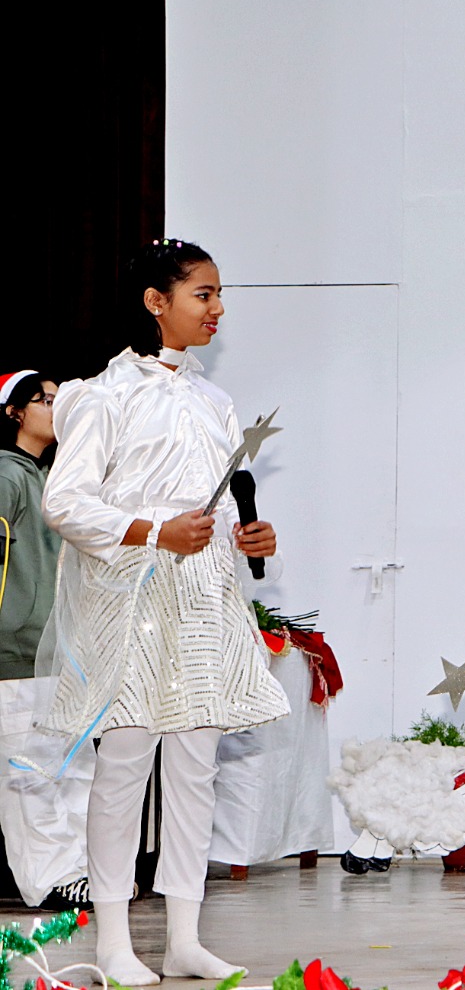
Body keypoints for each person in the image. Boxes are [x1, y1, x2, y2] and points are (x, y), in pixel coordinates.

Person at [40, 239, 290, 985]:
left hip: (204, 597)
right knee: (124, 764)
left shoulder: (216, 402)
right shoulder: (99, 395)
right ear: (157, 302)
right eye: (203, 294)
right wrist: (153, 530)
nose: (218, 309)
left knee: (195, 766)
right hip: (130, 600)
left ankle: (184, 936)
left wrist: (250, 536)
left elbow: (217, 506)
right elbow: (65, 504)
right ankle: (114, 942)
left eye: (218, 295)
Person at [0, 370, 93, 911]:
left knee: (74, 767)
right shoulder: (6, 474)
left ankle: (84, 871)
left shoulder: (56, 478)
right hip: (15, 655)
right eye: (46, 400)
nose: (58, 408)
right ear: (15, 411)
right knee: (28, 772)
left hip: (61, 652)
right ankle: (50, 880)